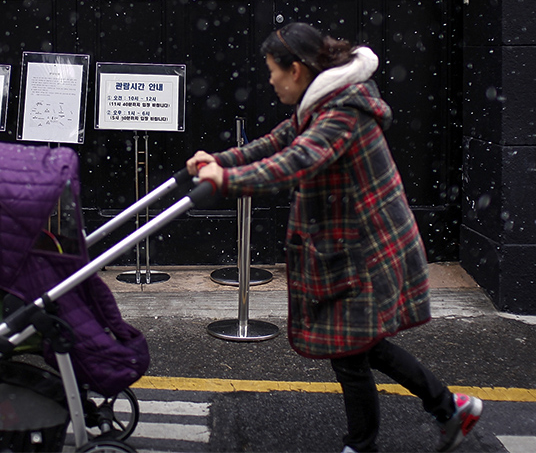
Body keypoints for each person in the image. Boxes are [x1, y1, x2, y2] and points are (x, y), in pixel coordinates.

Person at [187, 22, 481, 453]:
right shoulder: (322, 105)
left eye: (273, 70)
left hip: (366, 250)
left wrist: (227, 179)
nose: (269, 80)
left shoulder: (342, 113)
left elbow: (298, 161)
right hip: (351, 246)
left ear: (297, 70)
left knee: (350, 353)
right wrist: (222, 159)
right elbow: (278, 141)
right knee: (363, 346)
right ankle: (449, 407)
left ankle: (364, 445)